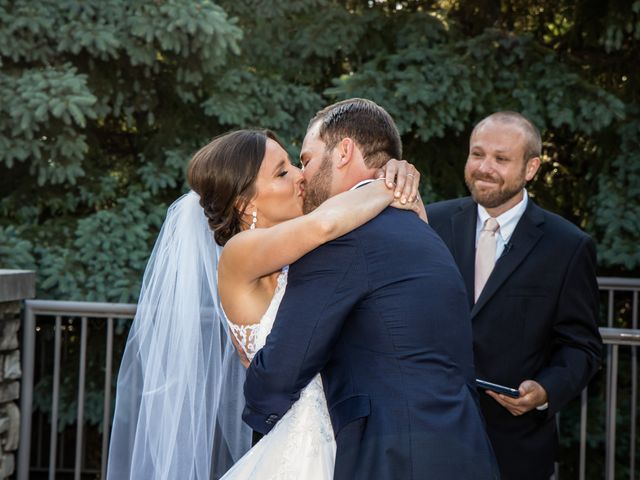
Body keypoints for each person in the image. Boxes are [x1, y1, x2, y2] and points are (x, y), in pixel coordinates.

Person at [106, 126, 423, 480]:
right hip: (298, 453)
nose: (302, 176)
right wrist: (390, 183)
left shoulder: (304, 254)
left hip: (347, 442)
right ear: (245, 202)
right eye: (282, 172)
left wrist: (402, 180)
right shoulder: (240, 254)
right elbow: (326, 224)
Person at [242, 98, 500, 480]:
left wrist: (256, 395)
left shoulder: (341, 241)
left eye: (307, 159)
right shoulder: (423, 232)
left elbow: (281, 374)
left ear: (344, 151)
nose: (302, 176)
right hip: (466, 449)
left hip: (396, 459)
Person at [426, 111, 603, 480]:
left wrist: (544, 390)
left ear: (531, 168)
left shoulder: (567, 246)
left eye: (501, 159)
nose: (484, 168)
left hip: (515, 449)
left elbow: (582, 345)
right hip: (430, 436)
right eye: (477, 154)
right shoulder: (430, 223)